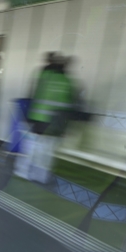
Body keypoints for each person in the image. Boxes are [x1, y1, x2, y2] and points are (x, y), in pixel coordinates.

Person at [21, 52, 76, 183]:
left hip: (37, 118)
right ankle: (41, 176)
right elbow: (69, 105)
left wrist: (27, 116)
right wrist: (65, 127)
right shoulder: (67, 81)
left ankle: (23, 171)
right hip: (55, 123)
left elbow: (32, 94)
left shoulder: (42, 75)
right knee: (47, 150)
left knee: (31, 147)